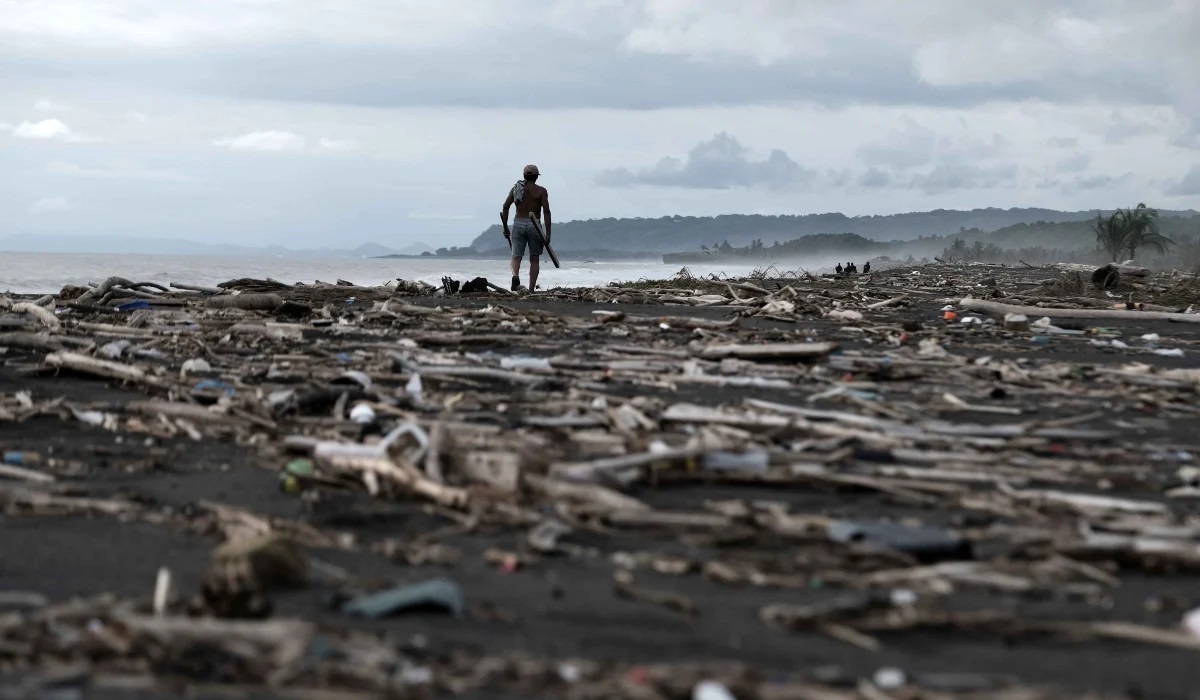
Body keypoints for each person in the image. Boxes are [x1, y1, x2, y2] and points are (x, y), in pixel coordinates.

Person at [501, 164, 552, 292]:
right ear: (536, 177)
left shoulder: (516, 189)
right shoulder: (541, 191)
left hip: (518, 223)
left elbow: (505, 206)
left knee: (516, 256)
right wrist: (548, 234)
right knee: (534, 258)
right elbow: (546, 211)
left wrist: (505, 227)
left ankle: (515, 276)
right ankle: (530, 290)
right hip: (534, 224)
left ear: (524, 176)